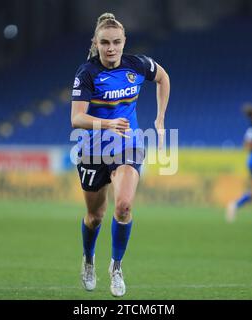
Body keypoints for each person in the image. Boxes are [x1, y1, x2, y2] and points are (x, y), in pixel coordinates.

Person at [70, 12, 170, 297]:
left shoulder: (137, 65)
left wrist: (160, 120)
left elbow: (163, 78)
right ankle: (89, 260)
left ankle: (116, 267)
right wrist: (107, 124)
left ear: (124, 42)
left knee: (124, 206)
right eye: (105, 43)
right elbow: (76, 119)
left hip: (128, 145)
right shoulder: (86, 73)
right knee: (95, 216)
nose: (111, 48)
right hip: (92, 150)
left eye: (116, 42)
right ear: (96, 43)